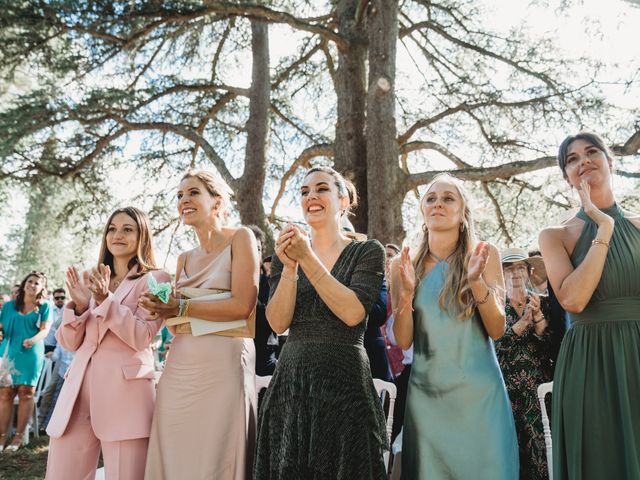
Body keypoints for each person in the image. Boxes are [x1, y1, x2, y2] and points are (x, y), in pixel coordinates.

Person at [254, 166, 388, 479]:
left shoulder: (368, 251)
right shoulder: (287, 253)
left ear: (343, 201)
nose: (311, 196)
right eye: (304, 192)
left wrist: (308, 259)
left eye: (322, 188)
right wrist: (288, 268)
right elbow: (277, 322)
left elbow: (353, 313)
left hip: (345, 383)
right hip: (292, 383)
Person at [391, 173, 518, 479]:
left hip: (480, 397)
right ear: (422, 210)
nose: (438, 204)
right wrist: (407, 295)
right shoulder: (401, 264)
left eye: (448, 198)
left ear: (463, 213)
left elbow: (497, 329)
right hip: (427, 399)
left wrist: (475, 282)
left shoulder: (485, 256)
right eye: (431, 198)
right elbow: (403, 340)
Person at [141, 171, 259, 480]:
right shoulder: (182, 259)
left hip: (224, 361)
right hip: (181, 363)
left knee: (217, 447)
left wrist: (182, 306)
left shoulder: (241, 238)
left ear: (216, 201)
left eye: (193, 193)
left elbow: (243, 305)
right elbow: (177, 326)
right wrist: (161, 310)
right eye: (179, 196)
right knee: (175, 440)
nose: (184, 201)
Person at [539, 132, 640, 480]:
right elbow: (574, 300)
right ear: (567, 176)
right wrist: (604, 226)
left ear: (610, 162)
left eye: (592, 152)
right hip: (591, 360)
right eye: (572, 159)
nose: (583, 161)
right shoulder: (555, 235)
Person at [45, 207, 169, 479]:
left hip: (126, 395)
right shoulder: (92, 276)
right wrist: (78, 305)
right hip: (77, 392)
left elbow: (142, 336)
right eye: (112, 228)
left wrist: (105, 301)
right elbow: (69, 342)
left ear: (142, 235)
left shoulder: (159, 279)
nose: (117, 235)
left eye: (127, 229)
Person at [495, 248, 553, 480]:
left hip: (537, 391)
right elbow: (494, 348)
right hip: (505, 391)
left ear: (528, 272)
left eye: (520, 267)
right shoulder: (495, 306)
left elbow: (550, 346)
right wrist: (520, 325)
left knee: (539, 452)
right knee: (509, 451)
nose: (515, 273)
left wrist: (537, 316)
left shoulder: (542, 302)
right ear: (501, 274)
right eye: (509, 268)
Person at [0, 271, 51, 452]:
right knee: (5, 394)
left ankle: (18, 437)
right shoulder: (8, 306)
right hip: (8, 353)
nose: (32, 284)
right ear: (24, 283)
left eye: (37, 283)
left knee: (25, 393)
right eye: (30, 281)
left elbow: (45, 330)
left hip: (31, 353)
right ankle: (2, 438)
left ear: (42, 288)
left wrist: (34, 339)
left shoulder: (44, 306)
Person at [248, 225, 278, 376]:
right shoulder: (225, 281)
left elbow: (273, 322)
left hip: (263, 362)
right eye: (248, 247)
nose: (253, 253)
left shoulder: (270, 283)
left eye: (258, 249)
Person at [38, 288, 66, 429]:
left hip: (72, 367)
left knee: (59, 395)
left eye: (62, 297)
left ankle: (52, 423)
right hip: (54, 352)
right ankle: (41, 422)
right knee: (49, 390)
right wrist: (50, 354)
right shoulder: (50, 310)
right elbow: (57, 354)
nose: (59, 300)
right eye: (57, 298)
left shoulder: (69, 310)